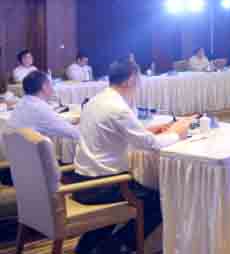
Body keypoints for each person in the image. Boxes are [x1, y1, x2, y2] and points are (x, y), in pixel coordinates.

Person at [72, 59, 193, 254]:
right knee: (159, 201)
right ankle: (116, 247)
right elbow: (151, 145)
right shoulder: (118, 108)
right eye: (139, 78)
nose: (140, 83)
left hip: (82, 181)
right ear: (130, 80)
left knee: (141, 194)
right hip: (102, 186)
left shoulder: (96, 100)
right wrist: (178, 133)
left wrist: (152, 131)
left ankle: (88, 246)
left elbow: (123, 134)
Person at [8, 70, 79, 140]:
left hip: (16, 146)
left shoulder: (21, 103)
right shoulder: (40, 109)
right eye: (51, 84)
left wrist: (66, 121)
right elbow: (75, 134)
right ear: (44, 87)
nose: (52, 88)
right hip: (34, 146)